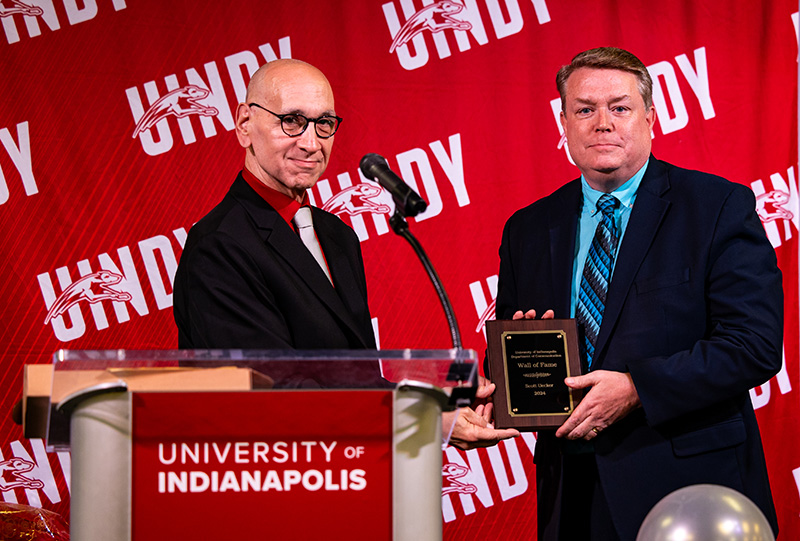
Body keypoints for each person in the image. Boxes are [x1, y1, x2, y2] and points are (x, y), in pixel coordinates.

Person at [493, 47, 782, 540]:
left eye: (619, 108)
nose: (602, 123)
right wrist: (509, 382)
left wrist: (635, 388)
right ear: (563, 123)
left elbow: (752, 346)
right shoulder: (527, 228)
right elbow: (508, 357)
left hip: (688, 490)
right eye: (584, 109)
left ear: (650, 117)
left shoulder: (716, 206)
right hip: (573, 495)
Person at [173, 59, 516, 449]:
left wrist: (438, 404)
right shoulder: (218, 245)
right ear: (244, 124)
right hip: (276, 488)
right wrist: (425, 420)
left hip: (354, 477)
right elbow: (272, 391)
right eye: (291, 120)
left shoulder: (336, 236)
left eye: (324, 124)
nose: (311, 142)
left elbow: (356, 380)